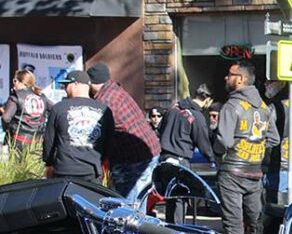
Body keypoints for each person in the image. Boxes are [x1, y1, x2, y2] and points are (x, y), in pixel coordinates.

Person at [214, 61, 280, 234]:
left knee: (233, 222)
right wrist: (256, 147)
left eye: (230, 74)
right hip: (255, 172)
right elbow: (274, 139)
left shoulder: (231, 107)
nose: (226, 78)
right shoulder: (263, 107)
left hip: (232, 170)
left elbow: (223, 140)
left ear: (240, 79)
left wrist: (218, 152)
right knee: (257, 221)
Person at [88, 63, 161, 200]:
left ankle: (134, 219)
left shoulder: (104, 100)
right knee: (139, 198)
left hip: (133, 158)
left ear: (91, 83)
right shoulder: (115, 90)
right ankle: (141, 218)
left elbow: (96, 135)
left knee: (128, 203)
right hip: (149, 151)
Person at [42, 71, 114, 185]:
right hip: (92, 172)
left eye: (67, 85)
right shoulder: (104, 109)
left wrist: (49, 163)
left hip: (64, 171)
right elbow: (109, 142)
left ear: (75, 84)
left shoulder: (59, 108)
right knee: (88, 202)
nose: (65, 88)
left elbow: (49, 141)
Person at [157, 84, 216, 223]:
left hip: (164, 158)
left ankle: (169, 231)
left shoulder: (173, 108)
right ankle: (178, 233)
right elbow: (204, 145)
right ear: (207, 100)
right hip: (180, 161)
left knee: (170, 198)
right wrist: (213, 159)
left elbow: (160, 128)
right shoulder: (197, 117)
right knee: (180, 200)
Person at [2, 69, 51, 150]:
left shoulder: (16, 96)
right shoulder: (42, 97)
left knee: (19, 163)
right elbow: (55, 109)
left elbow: (6, 118)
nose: (13, 83)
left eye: (15, 80)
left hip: (19, 140)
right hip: (38, 141)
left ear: (20, 82)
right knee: (36, 162)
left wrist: (8, 129)